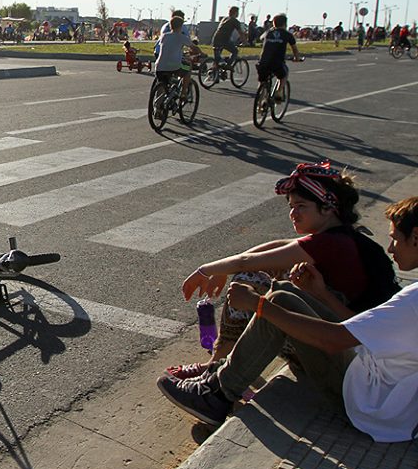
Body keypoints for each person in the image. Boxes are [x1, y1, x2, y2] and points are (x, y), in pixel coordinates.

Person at [158, 197, 418, 442]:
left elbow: (335, 341)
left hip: (368, 401)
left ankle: (216, 394)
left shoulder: (413, 299)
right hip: (385, 391)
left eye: (396, 239)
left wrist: (256, 304)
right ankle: (219, 376)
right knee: (287, 292)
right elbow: (362, 330)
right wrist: (321, 295)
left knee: (277, 302)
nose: (391, 247)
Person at [168, 161, 400, 381]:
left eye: (301, 207)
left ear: (328, 208)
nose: (293, 213)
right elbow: (278, 246)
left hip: (349, 356)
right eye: (291, 207)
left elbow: (247, 262)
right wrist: (222, 269)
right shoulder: (342, 236)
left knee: (247, 280)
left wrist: (205, 270)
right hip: (354, 346)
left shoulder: (330, 244)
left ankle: (218, 370)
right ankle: (220, 363)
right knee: (267, 277)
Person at [152, 15, 203, 102]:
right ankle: (183, 94)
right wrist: (202, 54)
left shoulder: (164, 36)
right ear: (181, 26)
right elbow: (194, 48)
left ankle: (158, 106)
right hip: (174, 66)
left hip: (159, 66)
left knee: (162, 84)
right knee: (188, 68)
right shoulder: (182, 37)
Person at [256, 14, 299, 100]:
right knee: (284, 74)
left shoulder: (268, 32)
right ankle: (279, 92)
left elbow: (261, 38)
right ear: (284, 24)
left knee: (262, 81)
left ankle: (259, 103)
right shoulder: (287, 34)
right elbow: (295, 49)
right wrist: (296, 58)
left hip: (263, 62)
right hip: (277, 63)